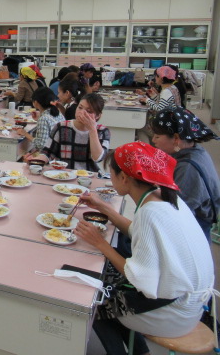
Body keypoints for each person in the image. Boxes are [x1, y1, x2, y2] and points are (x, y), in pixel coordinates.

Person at [74, 142, 214, 355]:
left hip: (176, 312)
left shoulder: (150, 213)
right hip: (191, 302)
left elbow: (138, 279)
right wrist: (103, 207)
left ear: (124, 178)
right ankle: (140, 350)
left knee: (93, 300)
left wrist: (100, 243)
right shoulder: (164, 196)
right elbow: (137, 232)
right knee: (108, 283)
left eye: (111, 174)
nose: (110, 179)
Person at [151, 107, 220, 239]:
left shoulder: (187, 168)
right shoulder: (194, 149)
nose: (154, 140)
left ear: (176, 138)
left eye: (157, 136)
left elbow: (179, 211)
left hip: (196, 226)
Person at [29, 93, 110, 172]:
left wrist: (92, 130)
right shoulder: (62, 127)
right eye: (80, 107)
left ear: (98, 115)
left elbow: (98, 158)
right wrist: (34, 161)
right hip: (63, 174)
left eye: (89, 111)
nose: (82, 113)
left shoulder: (102, 131)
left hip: (89, 175)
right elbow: (48, 152)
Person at [15, 87, 64, 154]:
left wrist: (25, 134)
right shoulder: (58, 113)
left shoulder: (44, 119)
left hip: (51, 155)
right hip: (59, 151)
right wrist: (39, 119)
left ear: (35, 102)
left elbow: (40, 145)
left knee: (26, 154)